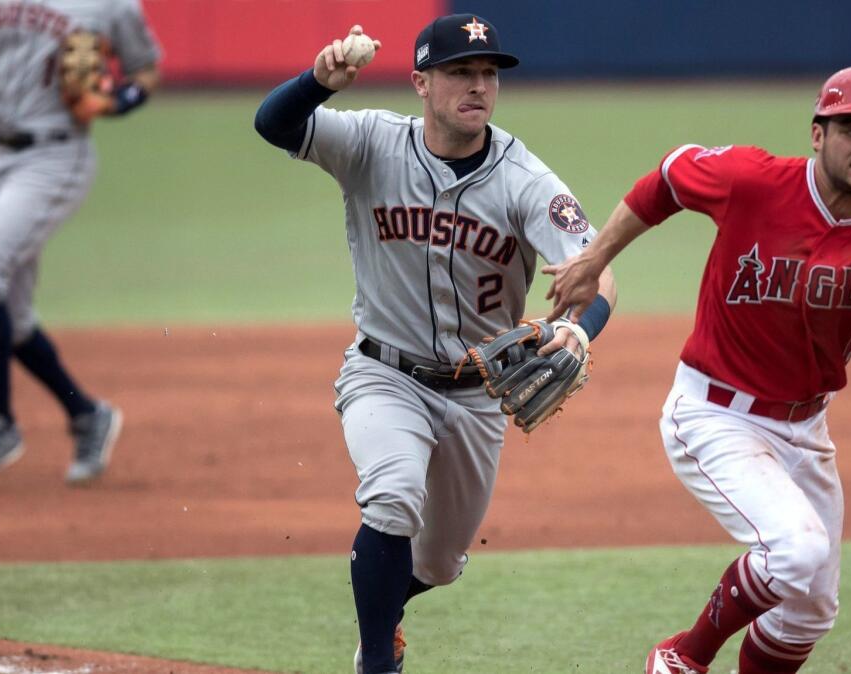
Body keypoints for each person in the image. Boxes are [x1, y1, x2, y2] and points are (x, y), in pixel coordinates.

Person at [544, 66, 851, 674]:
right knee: (797, 550)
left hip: (806, 430)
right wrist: (595, 256)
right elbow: (666, 178)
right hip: (715, 413)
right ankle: (683, 658)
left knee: (810, 611)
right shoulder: (752, 180)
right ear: (818, 134)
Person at [253, 14, 617, 674]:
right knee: (392, 498)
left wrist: (576, 329)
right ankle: (376, 661)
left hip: (478, 395)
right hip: (382, 373)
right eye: (459, 73)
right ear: (421, 82)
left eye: (487, 73)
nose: (478, 85)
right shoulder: (370, 143)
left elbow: (599, 276)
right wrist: (317, 81)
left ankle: (384, 607)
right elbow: (273, 124)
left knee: (440, 564)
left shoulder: (526, 179)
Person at [0, 0, 161, 484]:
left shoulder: (110, 6)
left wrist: (114, 100)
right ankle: (87, 414)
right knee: (11, 316)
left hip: (55, 157)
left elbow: (145, 71)